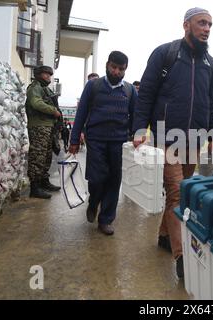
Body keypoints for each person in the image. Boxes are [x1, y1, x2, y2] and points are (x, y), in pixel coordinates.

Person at [132, 7, 213, 278]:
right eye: (201, 23)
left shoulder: (211, 65)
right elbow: (146, 93)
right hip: (168, 137)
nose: (206, 28)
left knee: (180, 194)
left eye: (210, 24)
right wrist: (139, 128)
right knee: (178, 194)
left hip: (194, 141)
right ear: (186, 25)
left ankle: (163, 235)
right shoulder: (165, 54)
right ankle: (183, 259)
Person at [68, 51, 137, 236]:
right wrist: (74, 139)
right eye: (113, 67)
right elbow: (81, 113)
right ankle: (93, 203)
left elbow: (136, 116)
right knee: (97, 178)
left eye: (120, 69)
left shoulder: (130, 91)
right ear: (107, 65)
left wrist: (136, 134)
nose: (116, 72)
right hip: (96, 139)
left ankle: (106, 220)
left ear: (125, 70)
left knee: (114, 180)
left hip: (119, 142)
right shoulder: (93, 86)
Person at [25, 65, 62, 199]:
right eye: (46, 74)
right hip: (38, 126)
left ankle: (43, 181)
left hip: (47, 126)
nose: (48, 77)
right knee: (37, 155)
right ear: (39, 74)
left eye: (50, 74)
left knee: (46, 156)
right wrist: (54, 111)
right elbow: (36, 103)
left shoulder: (45, 89)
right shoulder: (35, 88)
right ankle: (34, 187)